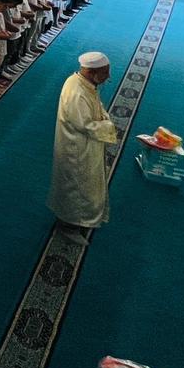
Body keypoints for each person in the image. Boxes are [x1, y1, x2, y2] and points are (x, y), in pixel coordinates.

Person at [47, 51, 119, 240]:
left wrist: (103, 116)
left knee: (83, 185)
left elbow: (96, 105)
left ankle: (75, 221)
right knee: (77, 187)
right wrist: (109, 126)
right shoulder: (77, 93)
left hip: (84, 145)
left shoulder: (82, 82)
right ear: (90, 71)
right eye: (104, 73)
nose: (108, 77)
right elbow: (85, 125)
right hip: (76, 149)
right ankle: (68, 226)